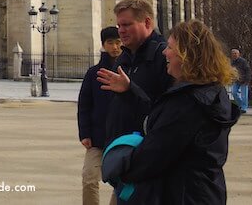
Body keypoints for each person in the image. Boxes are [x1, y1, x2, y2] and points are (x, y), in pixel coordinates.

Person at [102, 20, 240, 203]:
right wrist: (130, 91)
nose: (164, 52)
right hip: (204, 191)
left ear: (186, 56)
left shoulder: (187, 102)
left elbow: (154, 155)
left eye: (170, 48)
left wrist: (122, 169)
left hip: (179, 195)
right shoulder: (212, 91)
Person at [97, 0, 172, 142]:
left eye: (126, 25)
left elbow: (166, 111)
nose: (121, 31)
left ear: (147, 22)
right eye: (119, 26)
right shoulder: (124, 57)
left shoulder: (164, 56)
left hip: (146, 148)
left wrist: (130, 89)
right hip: (119, 145)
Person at [77, 26, 122, 205]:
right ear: (103, 45)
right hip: (96, 136)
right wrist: (84, 133)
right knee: (89, 178)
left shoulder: (130, 70)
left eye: (118, 42)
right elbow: (84, 105)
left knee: (121, 182)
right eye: (110, 43)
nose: (115, 47)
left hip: (120, 136)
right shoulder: (93, 73)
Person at [230, 48, 251, 113]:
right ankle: (240, 105)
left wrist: (247, 80)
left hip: (244, 79)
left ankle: (244, 108)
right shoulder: (232, 62)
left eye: (236, 53)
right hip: (236, 80)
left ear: (239, 54)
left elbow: (247, 70)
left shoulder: (243, 61)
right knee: (233, 92)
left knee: (244, 95)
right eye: (233, 53)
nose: (234, 55)